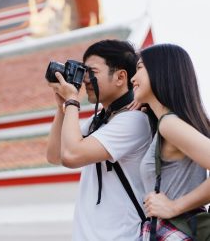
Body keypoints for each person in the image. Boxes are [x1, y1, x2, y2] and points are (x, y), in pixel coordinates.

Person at [46, 39, 152, 240]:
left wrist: (72, 101)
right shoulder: (101, 120)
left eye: (92, 72)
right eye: (83, 71)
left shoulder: (134, 121)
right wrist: (62, 106)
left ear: (121, 77)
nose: (85, 80)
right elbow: (55, 155)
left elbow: (71, 156)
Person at [131, 43, 210, 239]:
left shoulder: (169, 124)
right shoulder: (169, 124)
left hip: (176, 230)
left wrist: (174, 207)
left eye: (139, 68)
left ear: (160, 72)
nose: (133, 78)